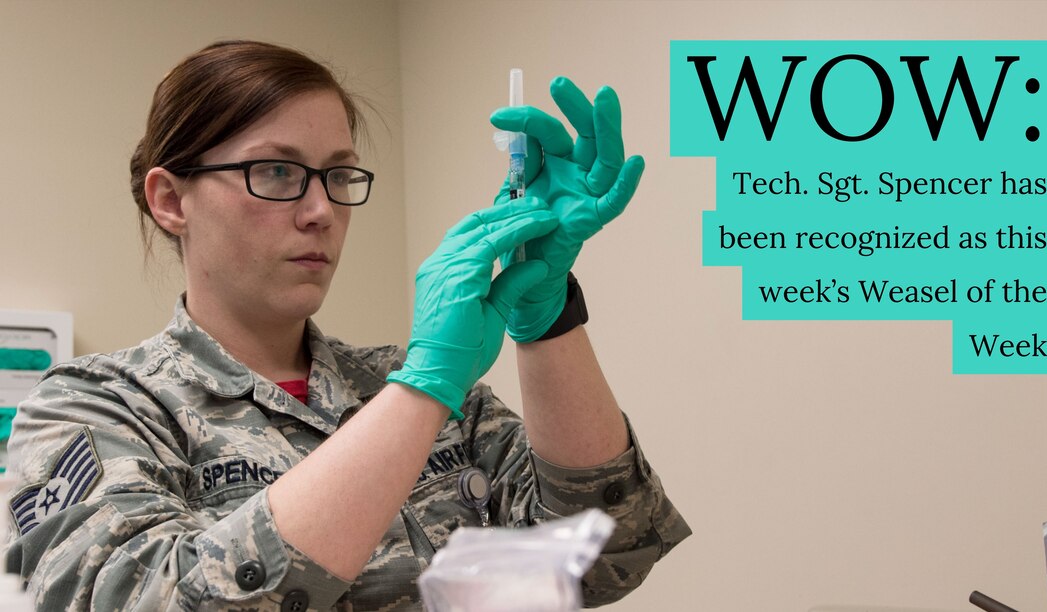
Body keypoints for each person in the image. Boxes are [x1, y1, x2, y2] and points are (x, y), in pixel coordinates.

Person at [3, 40, 689, 610]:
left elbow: (607, 552)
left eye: (338, 175)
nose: (320, 210)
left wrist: (547, 316)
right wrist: (422, 390)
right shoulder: (90, 409)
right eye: (276, 172)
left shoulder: (436, 399)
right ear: (170, 200)